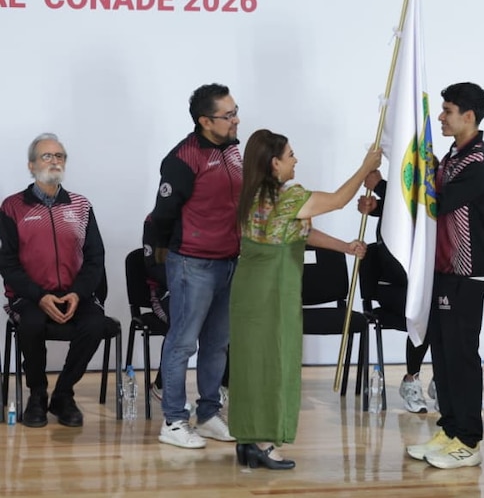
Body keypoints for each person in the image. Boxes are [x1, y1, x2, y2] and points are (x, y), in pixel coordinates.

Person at [228, 129, 379, 469]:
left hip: (248, 291)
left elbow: (302, 231)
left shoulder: (253, 195)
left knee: (250, 364)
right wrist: (365, 166)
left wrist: (344, 247)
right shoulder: (289, 197)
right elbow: (338, 200)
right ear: (274, 163)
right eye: (290, 155)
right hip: (273, 291)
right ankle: (266, 443)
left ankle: (248, 440)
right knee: (275, 361)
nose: (296, 160)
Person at [406, 82, 484, 470]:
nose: (441, 118)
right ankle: (450, 428)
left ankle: (469, 441)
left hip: (467, 271)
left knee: (461, 356)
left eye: (447, 111)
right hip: (444, 269)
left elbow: (439, 203)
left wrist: (404, 181)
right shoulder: (452, 157)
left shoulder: (481, 161)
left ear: (469, 116)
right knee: (443, 355)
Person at [151, 83, 242, 449]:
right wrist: (170, 260)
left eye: (236, 111)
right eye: (228, 115)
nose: (236, 120)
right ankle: (173, 421)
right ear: (205, 121)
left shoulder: (233, 149)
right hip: (193, 264)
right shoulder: (183, 158)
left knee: (217, 344)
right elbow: (162, 215)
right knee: (182, 344)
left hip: (229, 263)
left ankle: (207, 416)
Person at [0, 134, 106, 428]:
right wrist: (39, 295)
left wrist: (78, 293)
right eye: (47, 156)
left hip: (74, 293)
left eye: (59, 156)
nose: (54, 161)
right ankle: (37, 394)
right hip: (29, 296)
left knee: (95, 324)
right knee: (31, 324)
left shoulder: (81, 205)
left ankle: (63, 394)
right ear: (31, 165)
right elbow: (7, 263)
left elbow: (95, 257)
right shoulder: (12, 207)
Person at [356, 175, 431, 414]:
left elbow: (416, 208)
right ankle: (411, 380)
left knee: (442, 311)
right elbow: (403, 205)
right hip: (391, 286)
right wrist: (378, 199)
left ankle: (441, 380)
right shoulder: (400, 202)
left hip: (420, 284)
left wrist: (379, 192)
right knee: (424, 312)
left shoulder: (423, 204)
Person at [141, 215, 230, 405]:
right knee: (183, 324)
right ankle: (162, 386)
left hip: (202, 288)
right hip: (166, 291)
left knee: (220, 324)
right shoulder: (154, 221)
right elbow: (152, 266)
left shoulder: (205, 217)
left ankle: (222, 385)